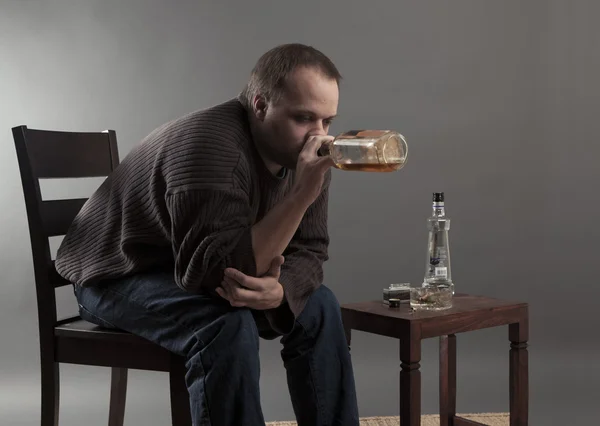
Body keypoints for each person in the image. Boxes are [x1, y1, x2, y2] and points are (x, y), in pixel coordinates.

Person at [55, 43, 359, 426]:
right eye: (304, 118)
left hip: (186, 265)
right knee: (225, 325)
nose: (319, 138)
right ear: (261, 105)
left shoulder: (307, 156)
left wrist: (283, 289)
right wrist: (301, 195)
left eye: (327, 122)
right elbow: (215, 272)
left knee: (320, 305)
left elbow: (312, 249)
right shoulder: (210, 145)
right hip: (113, 276)